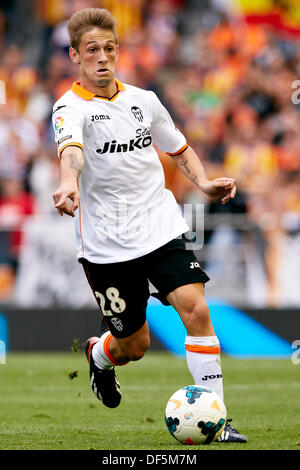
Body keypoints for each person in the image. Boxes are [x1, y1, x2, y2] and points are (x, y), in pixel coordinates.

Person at [52, 7, 247, 443]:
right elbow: (72, 151)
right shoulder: (69, 108)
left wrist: (205, 183)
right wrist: (68, 183)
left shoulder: (145, 100)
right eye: (92, 51)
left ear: (118, 51)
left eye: (109, 48)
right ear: (75, 56)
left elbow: (178, 148)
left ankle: (217, 419)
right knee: (133, 346)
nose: (102, 57)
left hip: (161, 228)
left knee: (196, 310)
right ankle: (99, 355)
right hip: (106, 245)